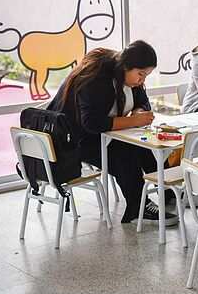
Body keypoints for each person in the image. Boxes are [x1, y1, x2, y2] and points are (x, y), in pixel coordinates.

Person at [49, 40, 178, 225]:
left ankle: (168, 190)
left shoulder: (128, 75)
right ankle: (138, 207)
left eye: (146, 75)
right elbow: (91, 123)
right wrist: (133, 121)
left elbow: (143, 102)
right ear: (126, 66)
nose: (142, 80)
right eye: (140, 74)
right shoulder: (95, 78)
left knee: (148, 144)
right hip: (73, 141)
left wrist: (139, 112)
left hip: (100, 136)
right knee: (126, 152)